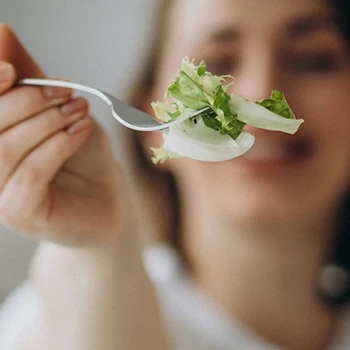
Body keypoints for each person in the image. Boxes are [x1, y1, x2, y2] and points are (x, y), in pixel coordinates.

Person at [0, 0, 349, 349]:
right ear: (152, 124)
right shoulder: (47, 323)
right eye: (216, 64)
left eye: (312, 60)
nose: (259, 89)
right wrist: (98, 251)